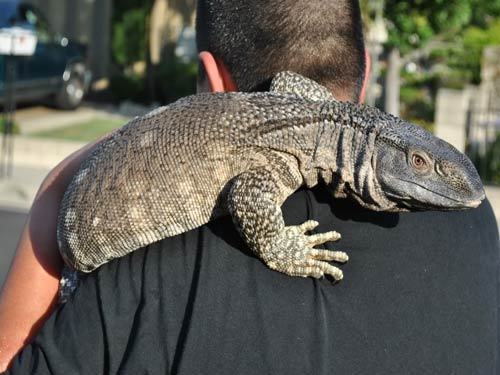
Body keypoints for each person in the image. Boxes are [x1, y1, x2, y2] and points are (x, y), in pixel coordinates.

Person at [2, 0, 499, 373]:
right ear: (365, 69)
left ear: (210, 78)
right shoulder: (477, 233)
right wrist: (287, 251)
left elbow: (285, 82)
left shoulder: (304, 135)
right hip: (82, 256)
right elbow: (251, 194)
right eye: (415, 161)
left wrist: (54, 186)